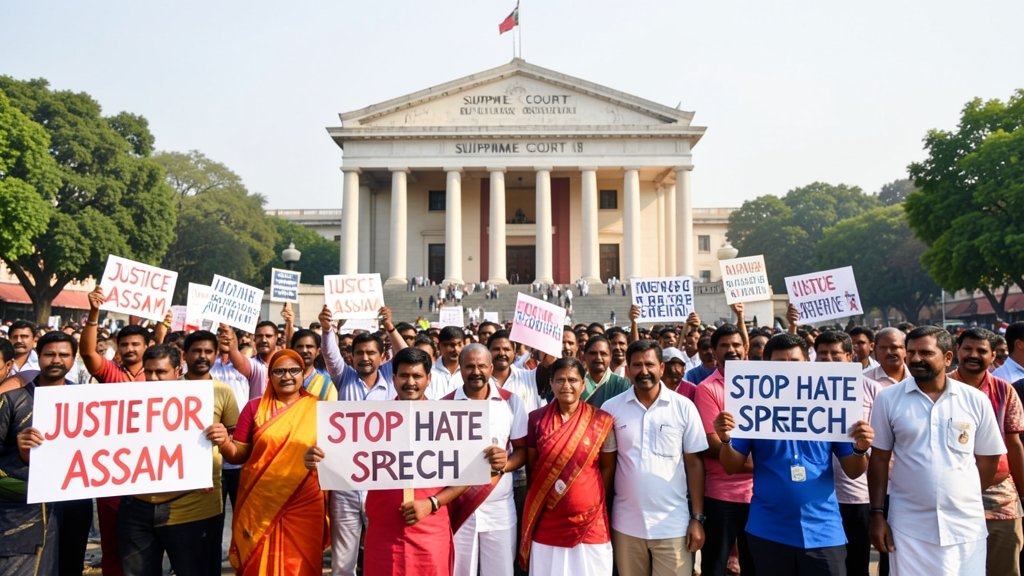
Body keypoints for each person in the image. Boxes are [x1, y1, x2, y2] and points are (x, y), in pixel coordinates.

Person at [715, 333, 875, 575]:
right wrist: (726, 439)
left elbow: (853, 470)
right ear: (767, 366)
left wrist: (861, 447)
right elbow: (731, 465)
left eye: (795, 364)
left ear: (807, 365)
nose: (788, 371)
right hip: (768, 531)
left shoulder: (830, 406)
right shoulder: (754, 409)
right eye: (781, 364)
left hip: (824, 531)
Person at [308, 347, 474, 576]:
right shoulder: (370, 421)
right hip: (384, 530)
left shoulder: (447, 418)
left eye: (417, 376)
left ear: (429, 379)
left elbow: (468, 475)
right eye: (404, 375)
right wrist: (318, 459)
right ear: (393, 378)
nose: (410, 382)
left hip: (430, 528)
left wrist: (432, 503)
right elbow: (343, 461)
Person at [869, 326, 1006, 575]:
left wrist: (961, 493)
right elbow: (879, 459)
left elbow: (989, 459)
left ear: (948, 357)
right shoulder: (888, 399)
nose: (916, 359)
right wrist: (877, 514)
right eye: (911, 352)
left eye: (925, 352)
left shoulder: (975, 400)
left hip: (965, 526)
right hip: (909, 526)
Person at [117, 342, 239, 576]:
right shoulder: (127, 402)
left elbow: (238, 448)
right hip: (137, 508)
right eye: (149, 372)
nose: (153, 379)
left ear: (178, 371)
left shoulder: (213, 394)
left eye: (161, 372)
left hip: (193, 508)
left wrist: (224, 439)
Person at [210, 349, 328, 575]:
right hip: (260, 499)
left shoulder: (320, 408)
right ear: (269, 376)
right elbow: (239, 454)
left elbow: (335, 455)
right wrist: (225, 442)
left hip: (305, 500)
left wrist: (321, 458)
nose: (287, 376)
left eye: (294, 370)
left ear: (303, 374)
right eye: (279, 371)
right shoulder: (254, 408)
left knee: (301, 563)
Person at [601, 339, 708, 576]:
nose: (644, 371)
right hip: (626, 525)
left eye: (649, 364)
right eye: (637, 365)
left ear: (661, 367)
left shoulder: (683, 407)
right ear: (627, 370)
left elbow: (694, 464)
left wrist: (697, 519)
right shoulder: (611, 409)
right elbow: (607, 467)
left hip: (673, 525)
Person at [519, 357, 616, 575]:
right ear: (551, 383)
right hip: (548, 518)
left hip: (591, 519)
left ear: (583, 384)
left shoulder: (601, 421)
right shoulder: (536, 420)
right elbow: (533, 468)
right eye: (560, 380)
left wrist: (597, 500)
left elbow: (608, 467)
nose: (566, 385)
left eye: (573, 380)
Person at [0, 331, 77, 575]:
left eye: (63, 355)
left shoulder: (86, 401)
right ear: (38, 356)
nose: (56, 360)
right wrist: (21, 457)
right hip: (22, 516)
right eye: (49, 354)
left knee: (65, 563)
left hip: (74, 505)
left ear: (73, 359)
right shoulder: (12, 401)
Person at [948, 328, 1024, 575]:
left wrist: (1023, 494)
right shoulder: (939, 388)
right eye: (967, 349)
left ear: (994, 356)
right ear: (956, 351)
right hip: (951, 494)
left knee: (1005, 566)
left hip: (1000, 496)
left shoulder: (1005, 391)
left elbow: (1014, 444)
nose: (973, 355)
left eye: (981, 351)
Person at [445, 344, 526, 576]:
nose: (476, 371)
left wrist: (505, 464)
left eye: (481, 366)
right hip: (460, 506)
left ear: (491, 368)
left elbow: (521, 452)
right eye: (469, 366)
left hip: (499, 508)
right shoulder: (443, 406)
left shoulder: (511, 402)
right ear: (460, 369)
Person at [814, 330, 881, 576]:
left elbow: (882, 449)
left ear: (850, 357)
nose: (828, 360)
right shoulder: (801, 390)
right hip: (816, 496)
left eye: (835, 354)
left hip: (856, 496)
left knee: (856, 564)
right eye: (822, 354)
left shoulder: (872, 390)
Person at [692, 323, 754, 576]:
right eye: (725, 346)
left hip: (760, 495)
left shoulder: (764, 383)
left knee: (757, 565)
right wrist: (759, 462)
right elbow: (711, 443)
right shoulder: (706, 389)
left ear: (745, 348)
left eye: (736, 345)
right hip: (722, 496)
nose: (732, 350)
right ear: (714, 352)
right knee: (715, 566)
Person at [582, 336, 632, 408]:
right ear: (584, 356)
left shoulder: (621, 384)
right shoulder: (577, 383)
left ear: (610, 356)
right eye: (593, 353)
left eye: (603, 354)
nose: (598, 357)